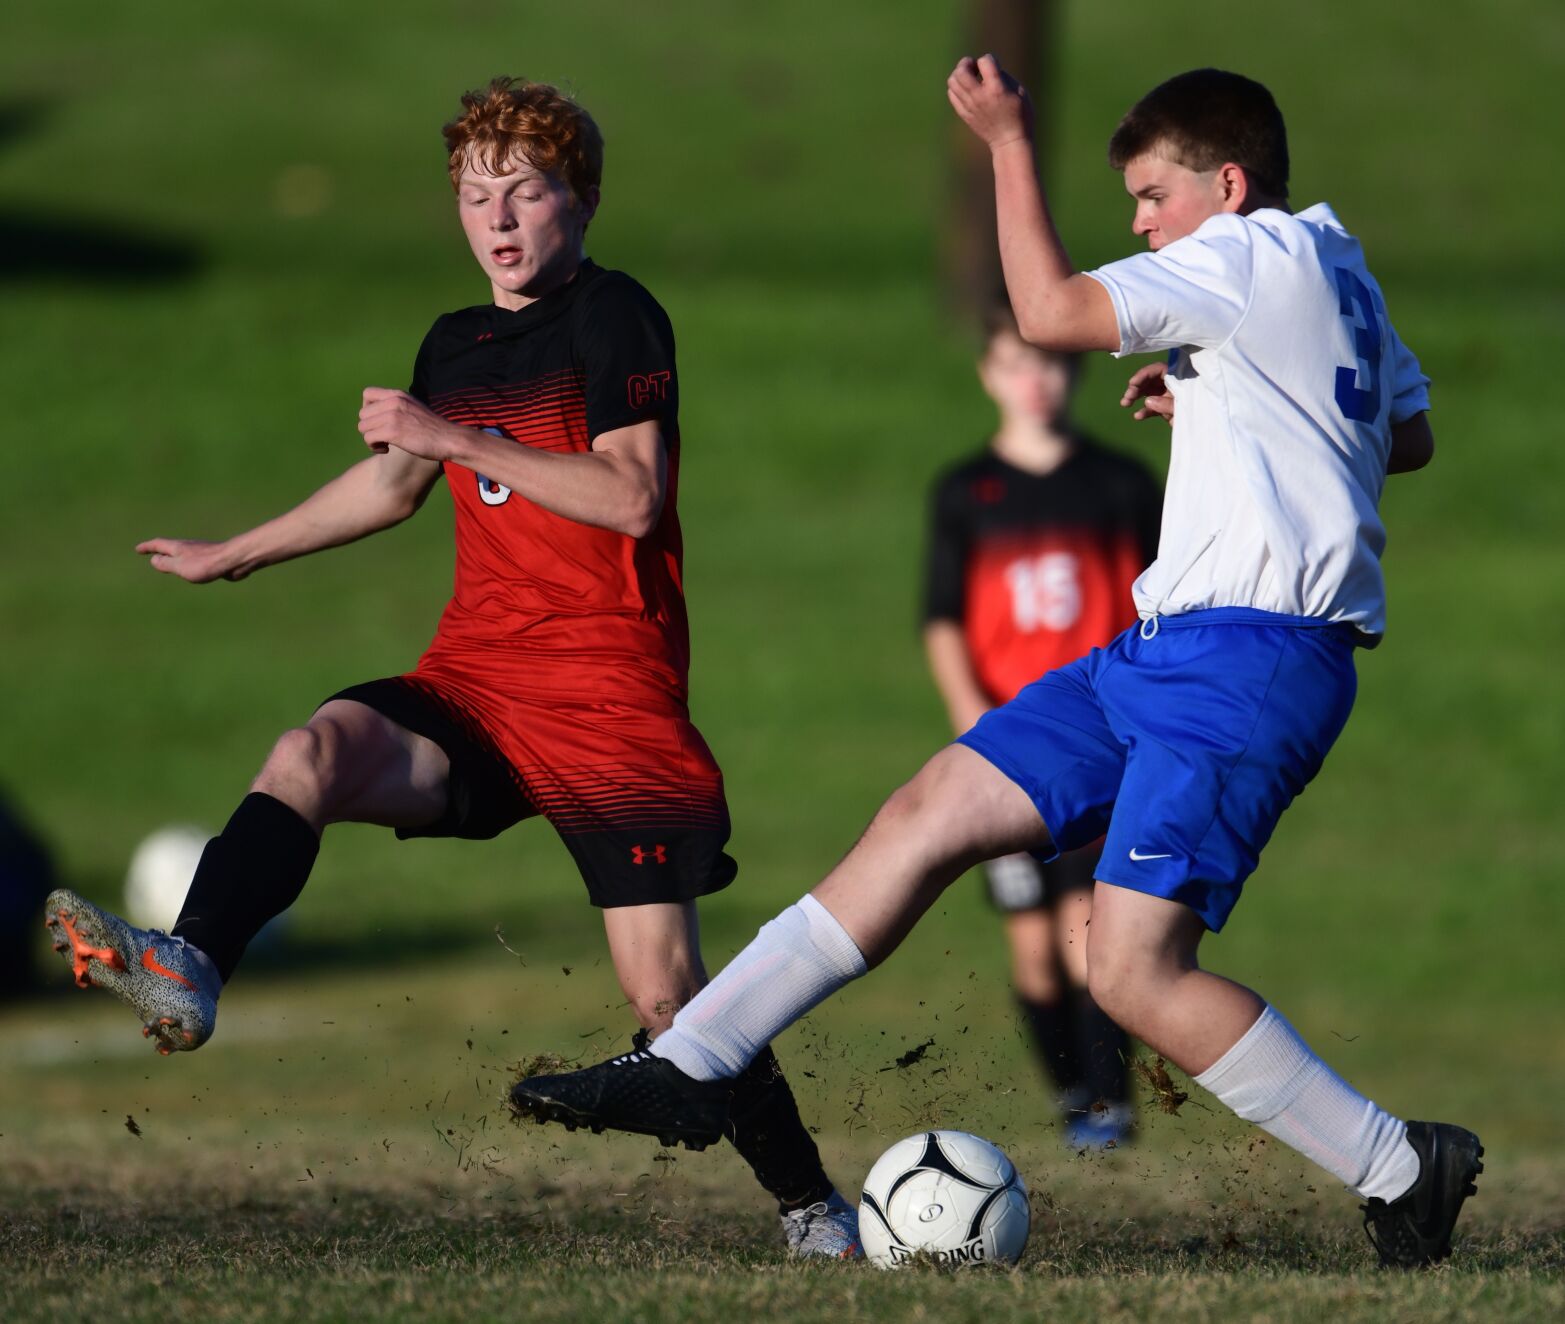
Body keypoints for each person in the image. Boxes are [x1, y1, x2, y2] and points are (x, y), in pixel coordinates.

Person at [512, 61, 1482, 1269]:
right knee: (926, 810)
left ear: (1225, 186)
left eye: (1149, 196)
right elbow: (1408, 436)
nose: (1136, 222)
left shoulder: (1236, 260)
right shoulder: (1330, 263)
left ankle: (1401, 1165)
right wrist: (1234, 397)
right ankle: (691, 1064)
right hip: (1163, 648)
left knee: (1128, 971)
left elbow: (1049, 312)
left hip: (1248, 663)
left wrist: (1005, 144)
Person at [43, 76, 859, 1259]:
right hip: (475, 683)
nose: (499, 219)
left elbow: (632, 499)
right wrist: (238, 552)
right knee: (309, 751)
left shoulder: (615, 315)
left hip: (607, 703)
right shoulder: (455, 342)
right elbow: (390, 482)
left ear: (578, 201)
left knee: (668, 1006)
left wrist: (458, 438)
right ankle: (194, 965)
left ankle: (811, 1211)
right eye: (477, 195)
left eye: (525, 192)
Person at [923, 308, 1161, 1147]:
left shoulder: (1122, 484)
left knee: (1080, 938)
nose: (1036, 380)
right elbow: (944, 620)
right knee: (1030, 950)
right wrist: (972, 721)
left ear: (1078, 374)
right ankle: (1071, 1098)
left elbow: (1163, 600)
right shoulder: (964, 491)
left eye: (1054, 364)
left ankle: (1111, 1103)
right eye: (1017, 362)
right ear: (987, 373)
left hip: (1103, 738)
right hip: (1013, 746)